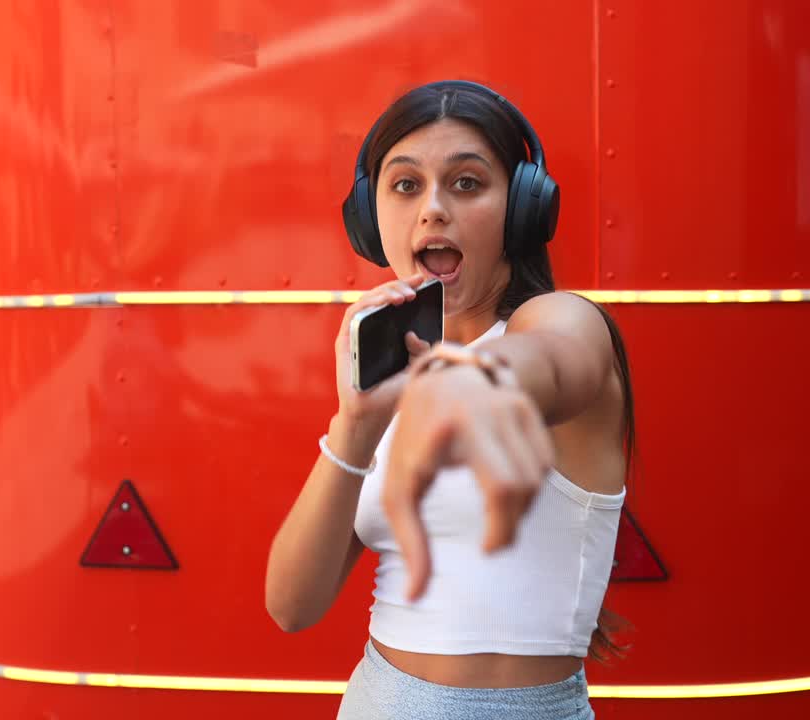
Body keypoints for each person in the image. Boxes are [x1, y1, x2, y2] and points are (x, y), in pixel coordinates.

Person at [265, 80, 635, 720]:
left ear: (521, 211)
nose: (432, 209)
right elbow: (291, 606)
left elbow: (544, 365)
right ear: (370, 217)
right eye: (405, 186)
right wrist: (355, 427)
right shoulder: (390, 377)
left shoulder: (561, 321)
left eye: (466, 183)